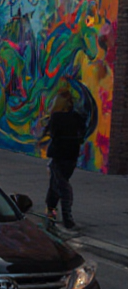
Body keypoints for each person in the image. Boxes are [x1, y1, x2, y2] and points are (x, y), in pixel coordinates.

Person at [43, 93, 87, 229]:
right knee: (57, 183)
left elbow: (50, 132)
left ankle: (65, 217)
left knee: (61, 185)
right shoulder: (77, 117)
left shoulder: (56, 117)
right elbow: (82, 134)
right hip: (71, 156)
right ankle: (51, 212)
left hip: (58, 154)